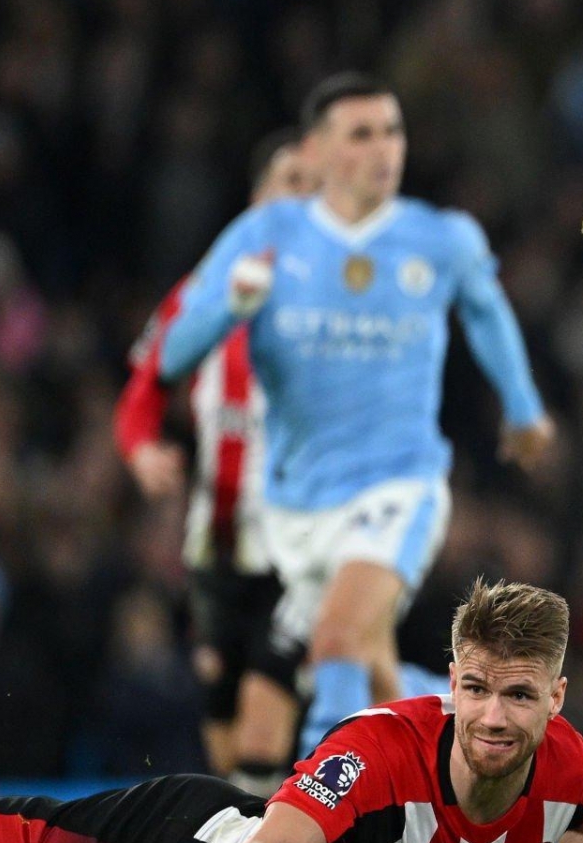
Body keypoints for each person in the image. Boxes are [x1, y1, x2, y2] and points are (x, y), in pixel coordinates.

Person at [159, 73, 555, 758]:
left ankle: (336, 823)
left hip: (400, 486)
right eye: (362, 133)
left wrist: (523, 410)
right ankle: (449, 716)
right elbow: (173, 351)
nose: (384, 148)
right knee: (360, 663)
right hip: (295, 506)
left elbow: (486, 312)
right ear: (316, 151)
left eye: (392, 130)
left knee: (335, 642)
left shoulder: (439, 238)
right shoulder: (264, 235)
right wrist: (233, 304)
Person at [0, 579, 583, 843]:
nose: (491, 716)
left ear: (557, 699)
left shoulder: (567, 766)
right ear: (452, 683)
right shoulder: (380, 753)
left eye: (518, 695)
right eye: (476, 689)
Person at [115, 132, 316, 795]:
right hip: (219, 545)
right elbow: (143, 388)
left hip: (304, 543)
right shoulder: (206, 294)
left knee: (264, 730)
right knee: (229, 738)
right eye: (292, 180)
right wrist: (142, 449)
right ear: (259, 199)